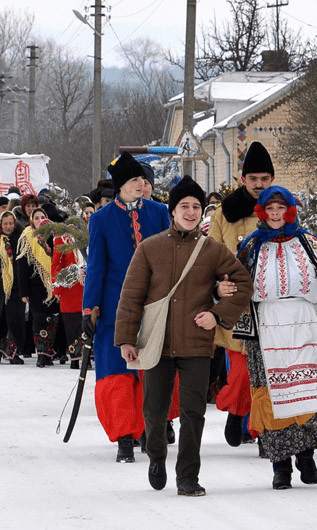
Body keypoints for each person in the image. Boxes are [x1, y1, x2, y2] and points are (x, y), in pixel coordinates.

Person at [115, 176, 252, 496]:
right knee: (154, 409)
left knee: (194, 412)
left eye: (195, 206)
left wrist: (217, 315)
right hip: (157, 343)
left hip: (196, 343)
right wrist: (126, 339)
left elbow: (243, 286)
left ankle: (188, 475)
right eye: (184, 206)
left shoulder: (212, 250)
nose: (190, 212)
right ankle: (157, 456)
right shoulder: (150, 248)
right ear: (172, 210)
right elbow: (131, 297)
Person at [237, 186, 317, 490]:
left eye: (281, 209)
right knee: (274, 396)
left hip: (306, 324)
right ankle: (281, 467)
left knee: (308, 391)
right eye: (270, 209)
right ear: (262, 212)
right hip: (267, 328)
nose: (276, 215)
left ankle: (305, 454)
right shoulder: (250, 247)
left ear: (290, 210)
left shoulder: (309, 243)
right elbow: (236, 288)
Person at [82, 152, 171, 463]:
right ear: (120, 185)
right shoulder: (101, 219)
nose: (140, 184)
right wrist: (89, 307)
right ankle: (123, 437)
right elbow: (95, 266)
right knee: (117, 374)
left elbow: (170, 260)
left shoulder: (159, 212)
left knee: (150, 371)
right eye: (134, 180)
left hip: (153, 306)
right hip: (113, 308)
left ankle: (149, 431)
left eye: (142, 179)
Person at [208, 141, 274, 448]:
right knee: (242, 371)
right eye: (253, 179)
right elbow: (213, 255)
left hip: (273, 302)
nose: (259, 185)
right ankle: (236, 410)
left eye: (264, 179)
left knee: (267, 373)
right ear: (242, 179)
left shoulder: (280, 208)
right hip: (239, 302)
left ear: (271, 179)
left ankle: (261, 429)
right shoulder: (224, 214)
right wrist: (220, 284)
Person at [16, 207, 59, 368]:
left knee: (53, 319)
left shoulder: (54, 237)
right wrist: (24, 291)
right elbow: (21, 266)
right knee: (39, 319)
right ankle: (41, 353)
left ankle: (48, 352)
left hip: (53, 285)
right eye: (36, 218)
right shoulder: (27, 237)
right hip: (35, 286)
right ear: (31, 221)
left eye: (42, 217)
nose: (40, 220)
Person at [48, 216, 89, 369]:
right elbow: (56, 265)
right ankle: (75, 357)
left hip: (85, 287)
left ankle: (87, 356)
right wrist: (57, 288)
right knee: (71, 323)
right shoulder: (61, 240)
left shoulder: (88, 239)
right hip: (69, 287)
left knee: (86, 321)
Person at [0, 211, 24, 363]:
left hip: (16, 286)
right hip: (0, 285)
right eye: (5, 224)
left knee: (14, 319)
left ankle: (13, 351)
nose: (8, 227)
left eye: (10, 223)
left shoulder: (21, 239)